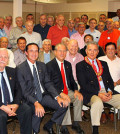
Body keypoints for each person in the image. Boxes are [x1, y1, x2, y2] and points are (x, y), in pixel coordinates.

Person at [17, 43, 67, 134]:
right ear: (26, 53)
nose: (34, 53)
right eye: (31, 51)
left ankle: (48, 125)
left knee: (63, 105)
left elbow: (48, 83)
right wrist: (36, 103)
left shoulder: (42, 65)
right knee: (38, 112)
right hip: (30, 98)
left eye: (36, 51)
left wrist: (57, 96)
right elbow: (24, 92)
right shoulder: (20, 68)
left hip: (43, 95)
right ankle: (35, 131)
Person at [76, 41, 120, 134]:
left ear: (97, 52)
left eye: (95, 50)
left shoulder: (103, 63)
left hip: (106, 92)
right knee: (97, 103)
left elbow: (110, 80)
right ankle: (95, 130)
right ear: (86, 51)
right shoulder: (80, 65)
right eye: (90, 50)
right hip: (91, 93)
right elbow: (84, 85)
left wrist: (110, 91)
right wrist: (98, 94)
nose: (92, 52)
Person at [46, 43, 84, 134]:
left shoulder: (68, 64)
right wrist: (61, 93)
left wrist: (76, 90)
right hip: (57, 92)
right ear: (55, 52)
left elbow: (72, 80)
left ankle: (76, 122)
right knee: (65, 101)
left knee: (79, 97)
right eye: (60, 51)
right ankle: (63, 126)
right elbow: (49, 84)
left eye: (64, 51)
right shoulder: (49, 65)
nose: (62, 53)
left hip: (68, 90)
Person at [0, 48, 32, 134]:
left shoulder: (12, 71)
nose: (2, 59)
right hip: (0, 106)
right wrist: (2, 106)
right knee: (1, 116)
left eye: (5, 57)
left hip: (12, 103)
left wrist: (16, 104)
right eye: (0, 57)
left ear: (8, 60)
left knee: (27, 110)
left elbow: (18, 89)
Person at [99, 42, 120, 122]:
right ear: (105, 51)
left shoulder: (119, 60)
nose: (110, 51)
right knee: (99, 90)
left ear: (115, 50)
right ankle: (102, 112)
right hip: (103, 84)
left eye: (112, 49)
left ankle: (112, 112)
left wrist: (117, 83)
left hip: (117, 84)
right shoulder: (100, 59)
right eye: (108, 49)